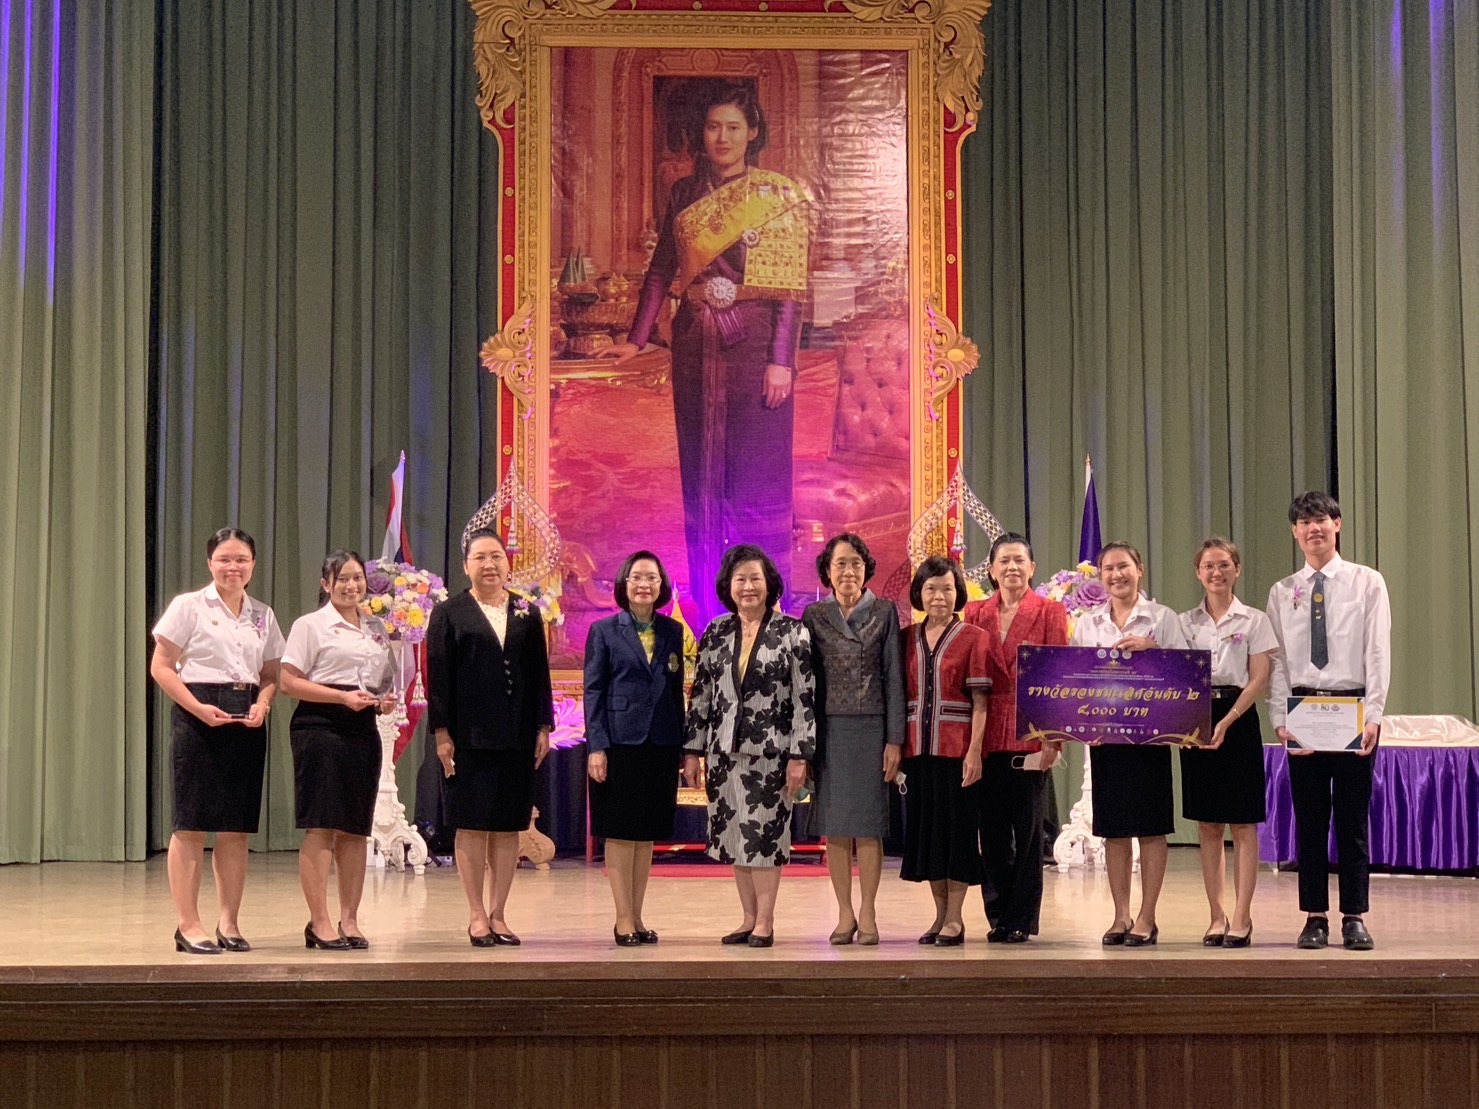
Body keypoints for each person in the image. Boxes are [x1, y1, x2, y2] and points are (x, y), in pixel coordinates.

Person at [603, 82, 812, 625]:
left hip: (755, 350)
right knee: (700, 471)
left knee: (756, 473)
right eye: (714, 126)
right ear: (702, 133)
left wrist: (782, 360)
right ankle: (705, 602)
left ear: (753, 133)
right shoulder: (683, 193)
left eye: (734, 127)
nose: (723, 137)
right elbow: (661, 271)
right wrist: (637, 337)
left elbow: (790, 289)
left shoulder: (773, 195)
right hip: (696, 345)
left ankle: (766, 607)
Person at [1266, 492, 1391, 951]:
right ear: (1294, 532)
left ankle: (1354, 915)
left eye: (1320, 519)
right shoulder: (1282, 591)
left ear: (1337, 524)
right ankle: (1314, 915)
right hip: (1304, 713)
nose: (1312, 528)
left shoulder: (1366, 582)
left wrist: (1374, 714)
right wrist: (1280, 718)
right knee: (1311, 820)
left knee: (1353, 821)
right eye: (1303, 522)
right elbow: (1277, 660)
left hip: (1353, 711)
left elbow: (1377, 650)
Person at [149, 527, 284, 955]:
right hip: (197, 714)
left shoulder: (263, 614)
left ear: (253, 565)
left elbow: (269, 674)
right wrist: (198, 708)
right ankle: (188, 925)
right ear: (210, 563)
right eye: (224, 559)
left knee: (235, 827)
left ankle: (229, 922)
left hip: (246, 718)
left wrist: (263, 704)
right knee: (190, 824)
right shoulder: (188, 606)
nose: (233, 567)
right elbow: (161, 667)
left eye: (241, 559)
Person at [682, 543, 815, 948]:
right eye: (740, 579)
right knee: (733, 838)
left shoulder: (792, 631)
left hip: (772, 753)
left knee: (764, 837)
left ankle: (766, 921)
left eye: (755, 578)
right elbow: (702, 695)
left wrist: (800, 755)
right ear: (728, 585)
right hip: (723, 753)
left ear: (769, 583)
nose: (748, 586)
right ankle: (747, 917)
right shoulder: (716, 631)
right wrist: (693, 750)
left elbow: (804, 697)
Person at [427, 528, 555, 948]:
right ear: (466, 565)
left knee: (506, 826)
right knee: (472, 824)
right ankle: (476, 914)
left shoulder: (526, 611)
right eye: (480, 557)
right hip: (468, 737)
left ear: (507, 563)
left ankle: (499, 914)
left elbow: (539, 674)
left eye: (496, 556)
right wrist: (442, 732)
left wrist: (543, 725)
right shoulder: (449, 612)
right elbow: (438, 677)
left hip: (518, 736)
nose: (489, 564)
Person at [1069, 541, 1188, 947]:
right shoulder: (1088, 623)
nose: (1116, 575)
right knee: (1114, 830)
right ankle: (1120, 915)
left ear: (1140, 570)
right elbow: (1077, 680)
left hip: (1151, 738)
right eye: (1108, 569)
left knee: (1151, 829)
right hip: (1106, 739)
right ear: (1100, 576)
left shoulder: (1163, 618)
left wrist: (1154, 650)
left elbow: (1187, 675)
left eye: (1123, 567)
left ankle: (1147, 916)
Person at [280, 549, 399, 951]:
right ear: (326, 584)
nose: (351, 586)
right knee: (322, 825)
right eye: (342, 579)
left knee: (355, 829)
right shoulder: (310, 625)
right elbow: (288, 682)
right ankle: (319, 921)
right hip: (320, 726)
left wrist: (384, 701)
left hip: (362, 728)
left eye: (357, 578)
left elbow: (381, 679)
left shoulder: (375, 626)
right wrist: (340, 697)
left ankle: (350, 919)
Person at [961, 533, 1067, 944]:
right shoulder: (974, 612)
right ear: (991, 569)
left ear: (1032, 567)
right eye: (1004, 560)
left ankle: (1021, 918)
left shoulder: (1050, 611)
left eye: (1019, 560)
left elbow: (1057, 676)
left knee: (1028, 835)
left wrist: (1052, 740)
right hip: (985, 734)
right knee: (991, 835)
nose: (1012, 567)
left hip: (1032, 733)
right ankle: (998, 914)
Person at [800, 533, 906, 946]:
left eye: (856, 564)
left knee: (868, 825)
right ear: (827, 571)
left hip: (872, 731)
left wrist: (894, 739)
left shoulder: (884, 611)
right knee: (836, 827)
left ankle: (868, 911)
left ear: (866, 569)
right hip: (829, 731)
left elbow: (894, 678)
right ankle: (844, 912)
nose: (848, 571)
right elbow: (806, 684)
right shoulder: (814, 615)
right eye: (840, 563)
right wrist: (805, 743)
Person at [583, 551, 687, 947]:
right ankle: (622, 918)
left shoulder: (672, 630)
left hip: (661, 742)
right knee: (621, 832)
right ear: (624, 584)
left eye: (652, 578)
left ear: (662, 586)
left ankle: (639, 917)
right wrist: (597, 746)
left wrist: (683, 746)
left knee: (646, 835)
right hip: (619, 742)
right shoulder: (604, 630)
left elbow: (675, 691)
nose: (644, 584)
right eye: (637, 577)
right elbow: (593, 691)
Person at [1177, 538, 1277, 949]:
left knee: (1243, 822)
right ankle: (1216, 915)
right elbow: (1175, 673)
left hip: (1239, 717)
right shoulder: (1184, 623)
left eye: (1223, 565)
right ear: (1198, 573)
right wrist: (1191, 722)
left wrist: (1229, 719)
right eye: (1208, 566)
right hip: (1195, 719)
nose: (1216, 572)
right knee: (1208, 823)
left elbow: (1259, 678)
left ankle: (1241, 915)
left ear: (1237, 569)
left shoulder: (1255, 620)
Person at [899, 555, 991, 947]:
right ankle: (938, 916)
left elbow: (981, 702)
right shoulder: (905, 638)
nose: (939, 596)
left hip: (957, 752)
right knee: (930, 837)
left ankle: (955, 917)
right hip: (917, 752)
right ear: (919, 593)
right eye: (931, 588)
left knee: (957, 836)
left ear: (958, 593)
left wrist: (974, 752)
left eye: (947, 588)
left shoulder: (974, 637)